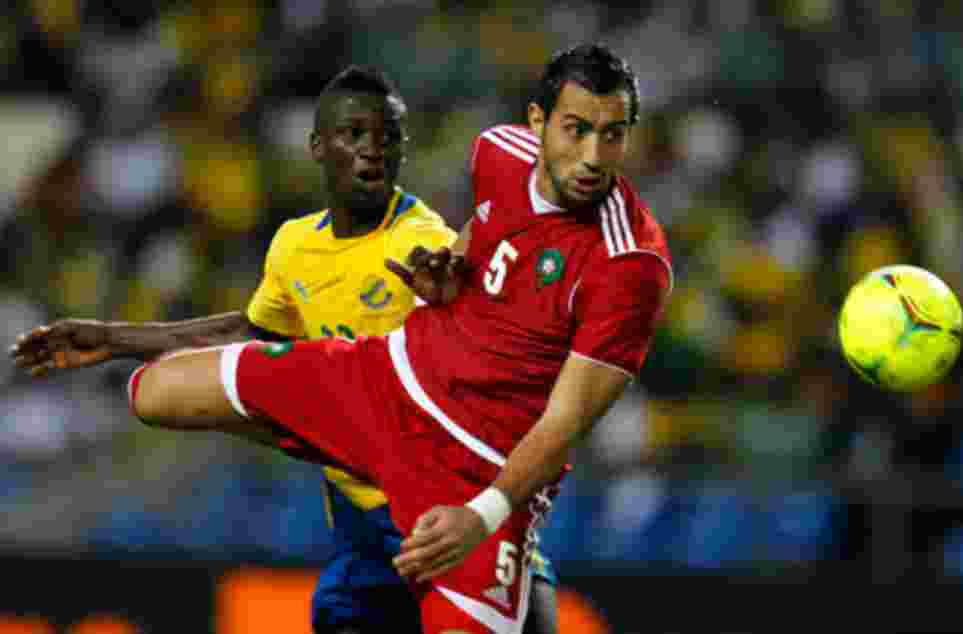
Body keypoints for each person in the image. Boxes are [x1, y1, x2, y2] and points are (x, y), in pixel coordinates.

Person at [27, 43, 672, 633]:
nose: (592, 156)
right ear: (537, 122)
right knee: (153, 393)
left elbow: (565, 422)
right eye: (576, 130)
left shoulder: (630, 265)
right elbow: (474, 265)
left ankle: (513, 573)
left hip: (476, 468)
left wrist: (483, 514)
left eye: (612, 136)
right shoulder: (496, 155)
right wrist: (447, 283)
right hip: (390, 382)